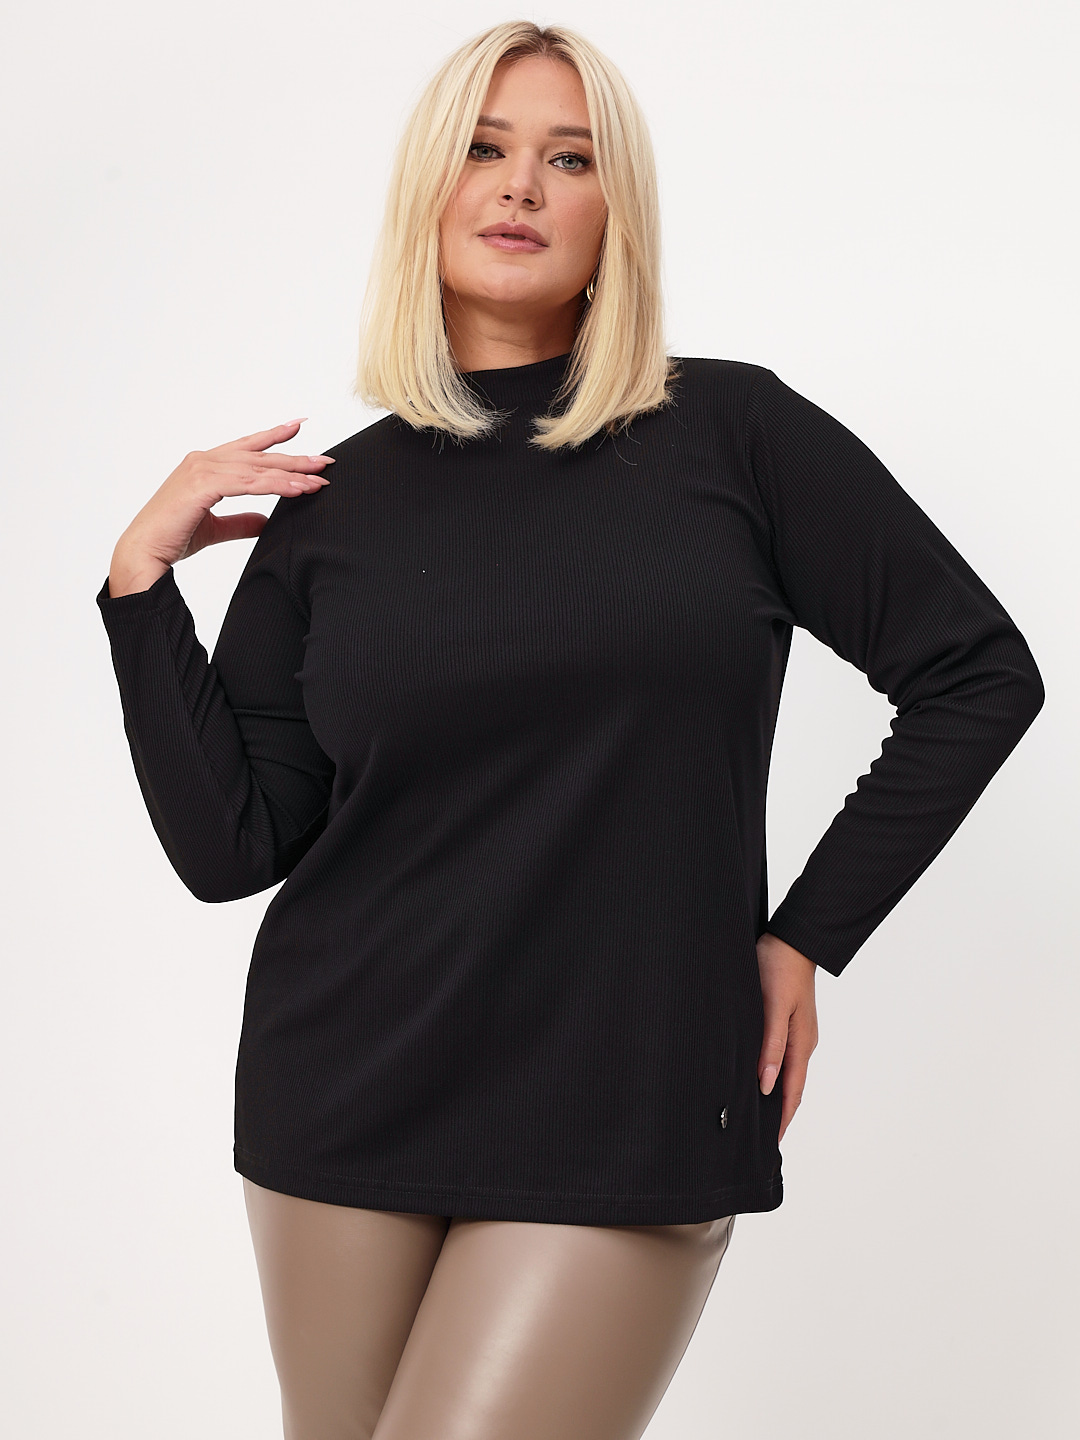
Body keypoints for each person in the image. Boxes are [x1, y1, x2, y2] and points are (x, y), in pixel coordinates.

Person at [94, 20, 1045, 1440]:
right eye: (483, 149)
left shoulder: (733, 433)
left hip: (634, 1082)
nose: (520, 186)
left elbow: (976, 673)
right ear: (428, 191)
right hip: (342, 1090)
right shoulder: (335, 505)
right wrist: (138, 591)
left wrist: (804, 936)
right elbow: (233, 848)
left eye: (570, 158)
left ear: (617, 214)